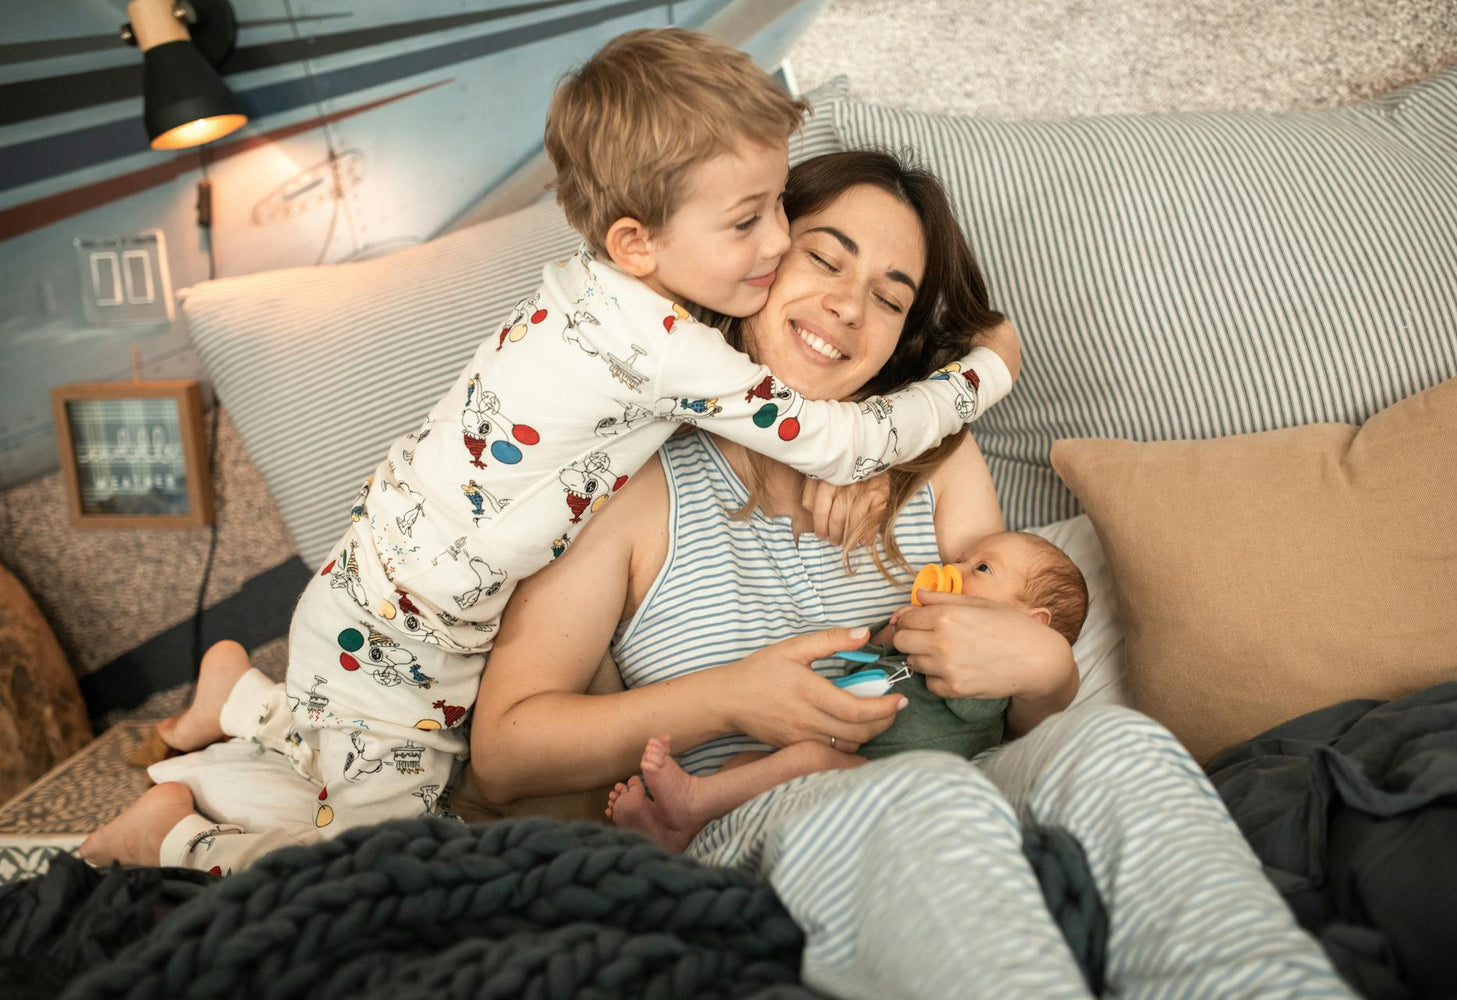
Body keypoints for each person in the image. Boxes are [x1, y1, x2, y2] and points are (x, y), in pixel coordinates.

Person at [78, 30, 1017, 873]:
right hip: (414, 615)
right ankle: (168, 836)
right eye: (754, 223)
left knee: (365, 751)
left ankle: (239, 698)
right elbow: (840, 442)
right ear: (636, 241)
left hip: (394, 577)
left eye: (779, 207)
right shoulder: (661, 350)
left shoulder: (587, 290)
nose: (775, 242)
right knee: (376, 852)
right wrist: (984, 371)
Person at [464, 150, 1353, 999]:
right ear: (751, 258)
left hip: (974, 788)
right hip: (760, 825)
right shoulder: (629, 487)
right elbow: (505, 754)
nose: (849, 309)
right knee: (915, 793)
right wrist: (733, 699)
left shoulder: (936, 459)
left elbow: (999, 697)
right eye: (824, 259)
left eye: (889, 300)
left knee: (1121, 744)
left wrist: (1047, 674)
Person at [606, 529, 1090, 852]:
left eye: (982, 569)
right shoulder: (924, 626)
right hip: (846, 753)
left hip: (887, 780)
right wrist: (889, 632)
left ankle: (692, 801)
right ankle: (682, 829)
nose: (954, 569)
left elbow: (971, 708)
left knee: (806, 762)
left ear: (1031, 627)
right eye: (961, 559)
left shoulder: (991, 680)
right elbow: (877, 653)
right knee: (744, 765)